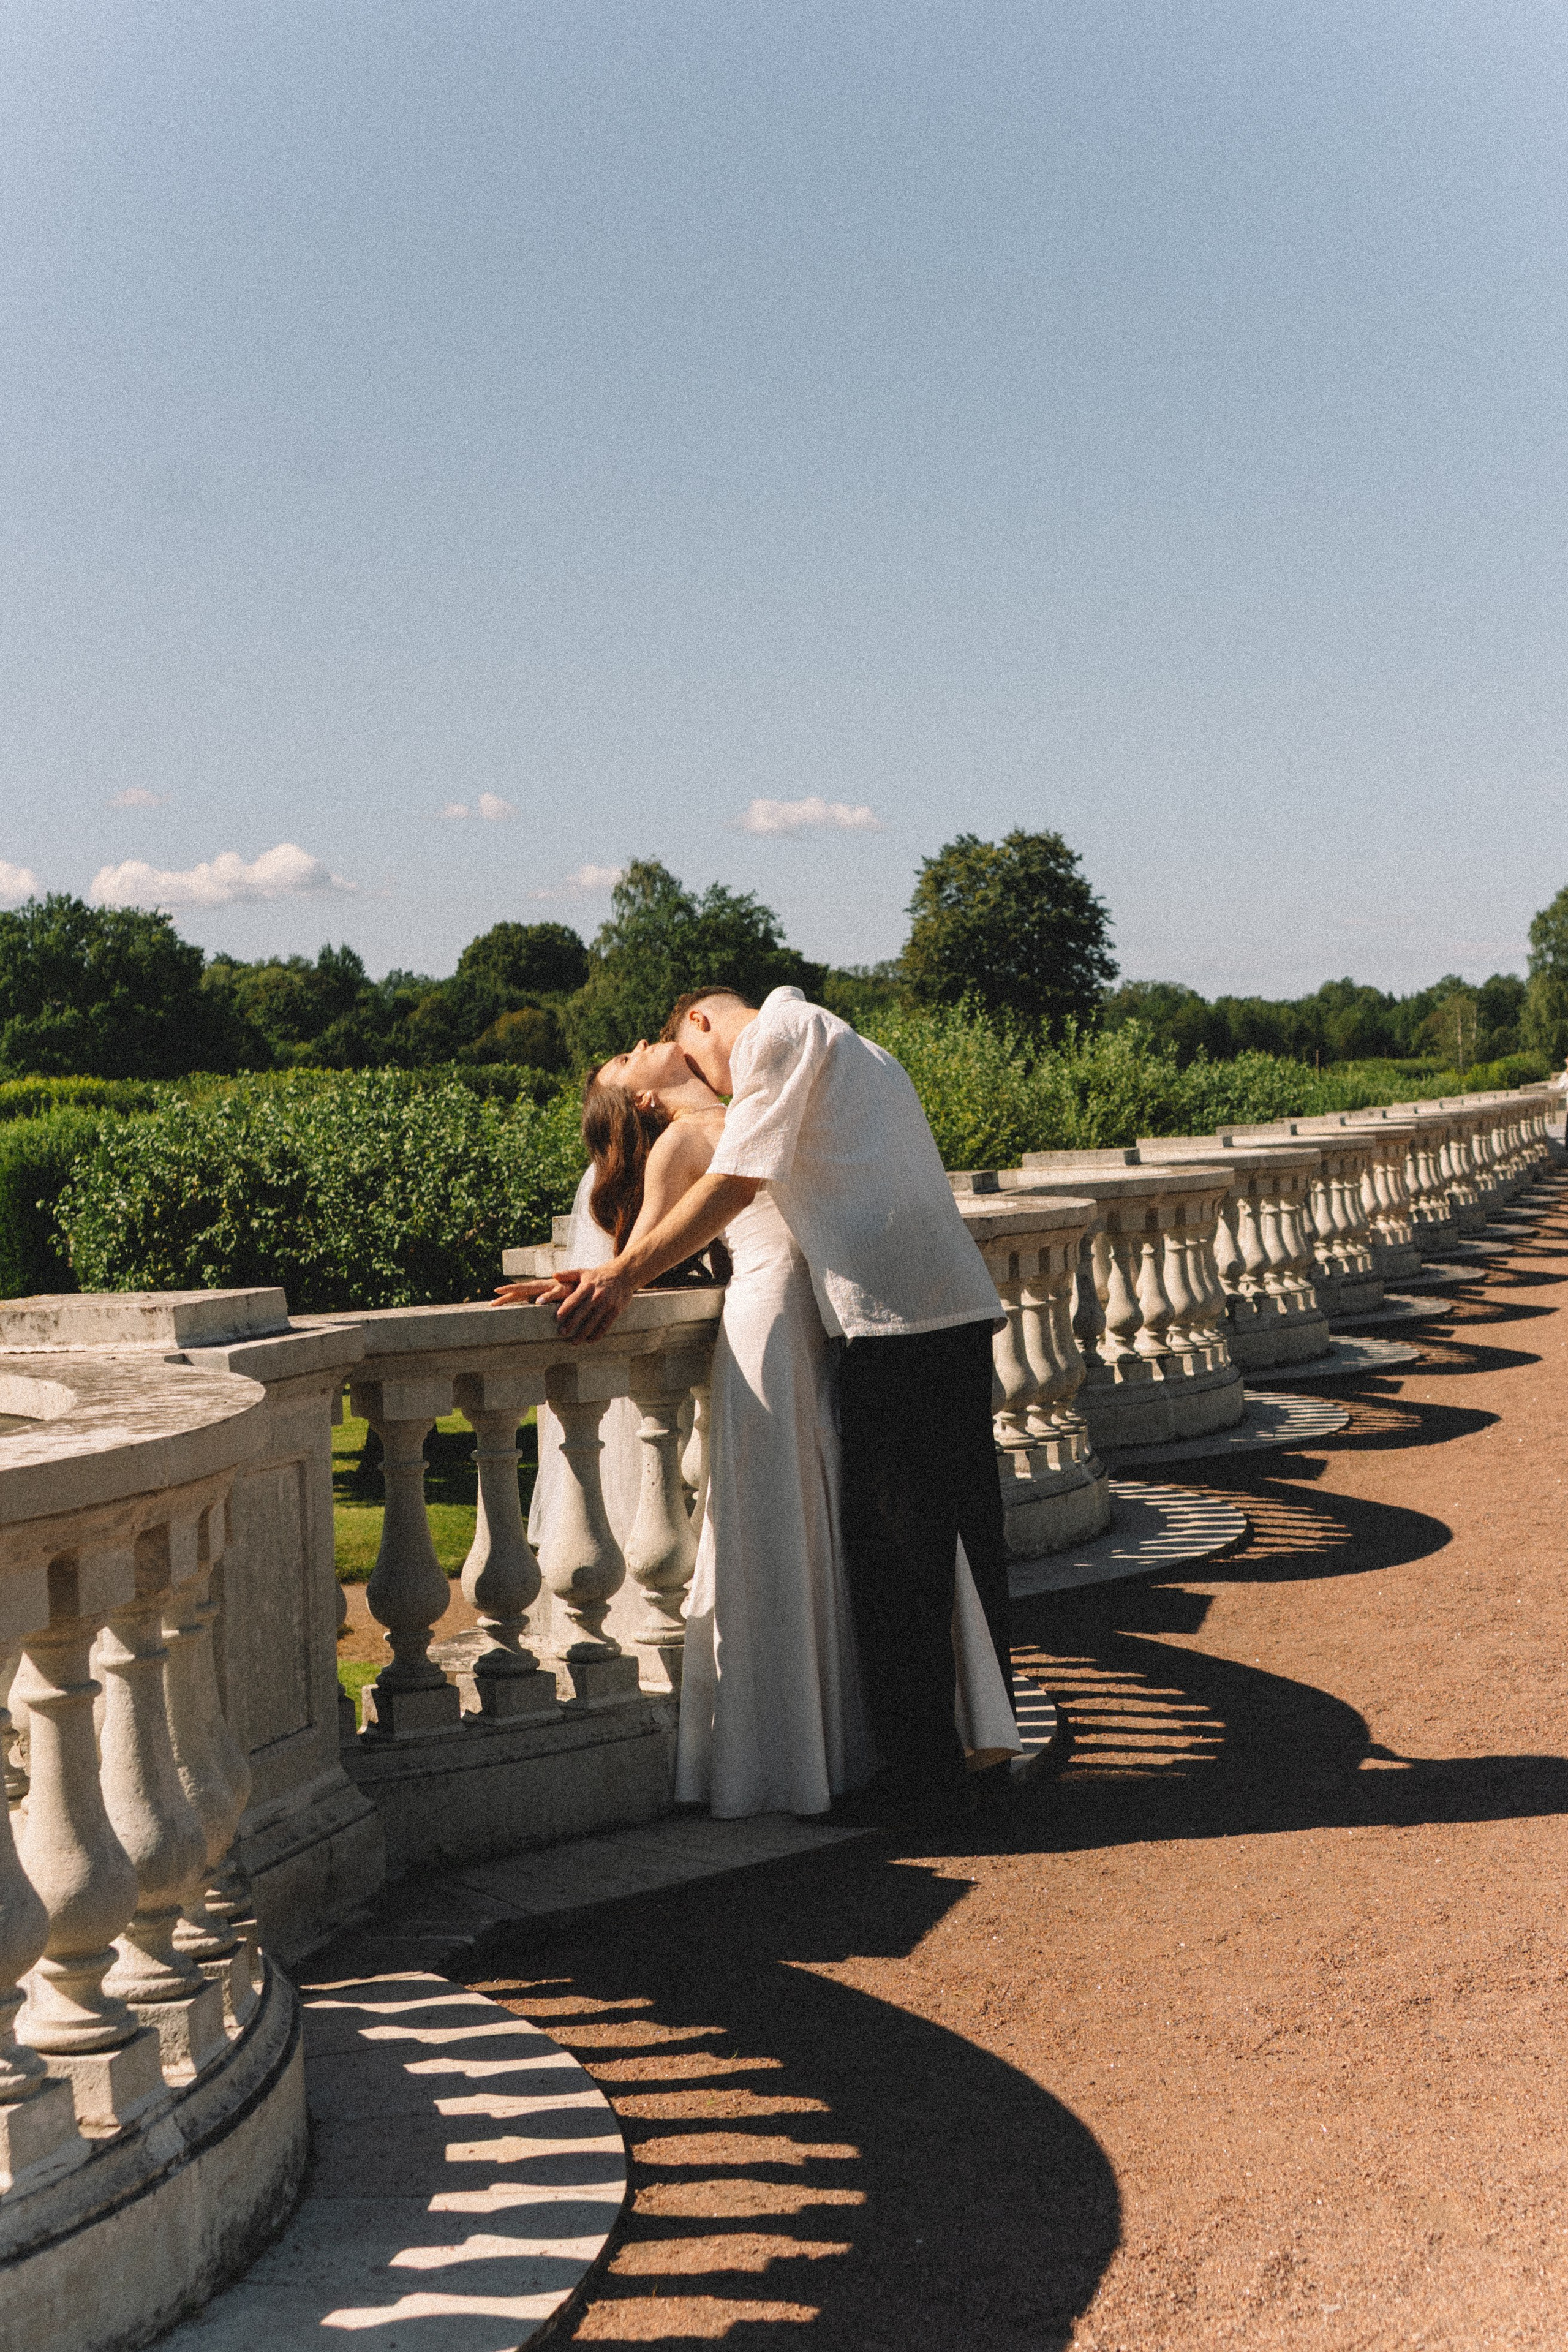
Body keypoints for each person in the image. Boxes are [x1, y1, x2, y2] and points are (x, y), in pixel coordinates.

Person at [509, 1030, 1019, 1817]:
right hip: (772, 1321)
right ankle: (801, 1751)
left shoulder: (762, 1102)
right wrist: (599, 1277)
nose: (643, 1041)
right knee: (792, 1514)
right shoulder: (680, 1138)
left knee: (850, 1525)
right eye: (625, 1057)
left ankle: (866, 1738)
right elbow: (641, 1254)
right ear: (640, 1099)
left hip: (823, 1320)